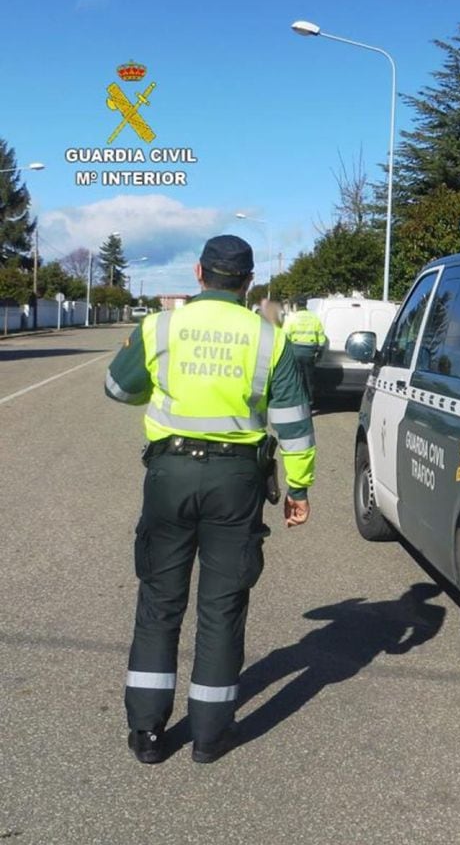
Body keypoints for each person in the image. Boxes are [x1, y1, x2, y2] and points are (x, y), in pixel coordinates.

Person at [104, 234, 316, 765]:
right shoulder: (269, 338)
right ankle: (208, 735)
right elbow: (293, 424)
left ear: (199, 274)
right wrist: (299, 487)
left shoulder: (161, 327)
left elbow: (117, 388)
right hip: (237, 481)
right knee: (222, 608)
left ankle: (148, 735)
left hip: (170, 474)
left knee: (159, 602)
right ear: (248, 283)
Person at [281, 298, 325, 403]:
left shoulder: (292, 318)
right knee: (309, 378)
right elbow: (321, 338)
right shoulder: (315, 318)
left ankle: (297, 400)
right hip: (309, 352)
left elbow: (284, 335)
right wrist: (320, 351)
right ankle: (310, 401)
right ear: (306, 304)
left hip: (295, 351)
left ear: (296, 305)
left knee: (295, 377)